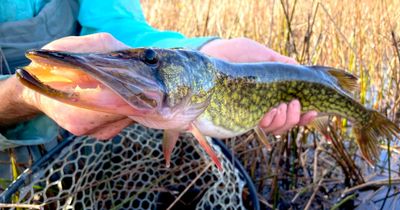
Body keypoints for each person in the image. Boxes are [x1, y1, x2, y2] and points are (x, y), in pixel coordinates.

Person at [0, 0, 317, 181]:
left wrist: (211, 49)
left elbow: (123, 28)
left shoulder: (181, 91)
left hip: (75, 149)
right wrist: (23, 94)